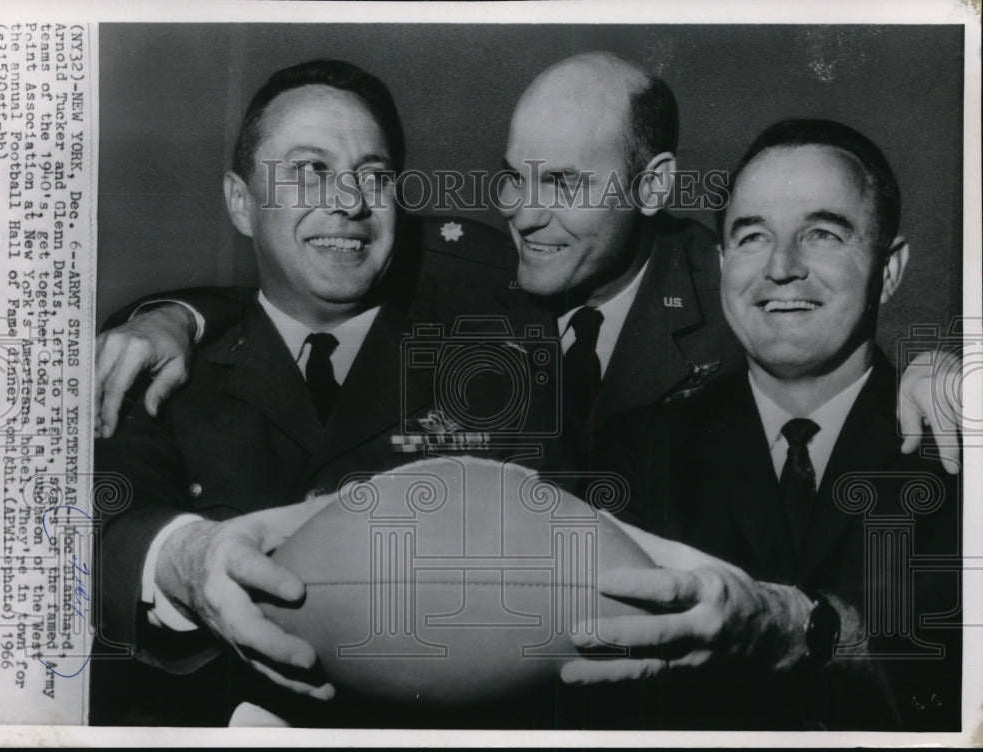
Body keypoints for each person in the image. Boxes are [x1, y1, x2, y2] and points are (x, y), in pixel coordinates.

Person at [94, 51, 960, 476]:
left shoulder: (733, 290)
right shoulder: (480, 264)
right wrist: (177, 314)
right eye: (513, 177)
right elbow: (322, 255)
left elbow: (832, 336)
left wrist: (930, 372)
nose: (522, 213)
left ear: (654, 187)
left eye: (565, 183)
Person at [93, 58, 537, 727]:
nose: (351, 202)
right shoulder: (159, 363)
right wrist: (188, 560)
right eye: (311, 170)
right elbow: (106, 522)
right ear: (241, 203)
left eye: (374, 175)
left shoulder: (486, 362)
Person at [571, 119, 961, 730]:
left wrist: (799, 628)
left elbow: (955, 690)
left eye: (823, 234)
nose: (781, 267)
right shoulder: (634, 452)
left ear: (889, 270)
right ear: (723, 263)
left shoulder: (958, 448)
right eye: (753, 237)